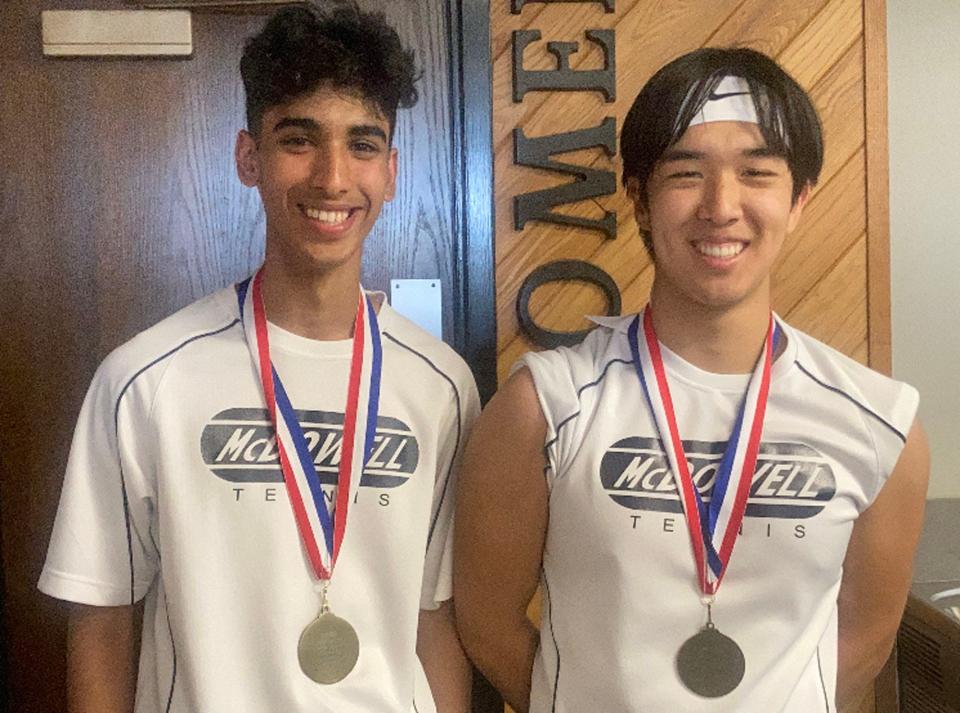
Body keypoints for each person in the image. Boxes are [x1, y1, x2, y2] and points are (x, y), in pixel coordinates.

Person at [454, 47, 928, 713]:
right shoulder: (543, 406)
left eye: (756, 173)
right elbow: (487, 623)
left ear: (798, 200)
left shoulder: (883, 427)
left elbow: (861, 647)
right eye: (685, 173)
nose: (721, 206)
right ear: (639, 198)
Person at [39, 4, 478, 712]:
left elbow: (435, 618)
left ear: (391, 172)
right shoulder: (143, 380)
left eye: (363, 145)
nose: (333, 178)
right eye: (299, 140)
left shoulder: (443, 386)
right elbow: (101, 621)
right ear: (250, 157)